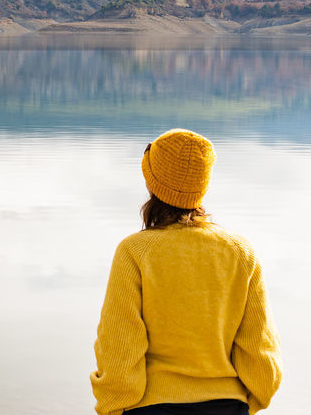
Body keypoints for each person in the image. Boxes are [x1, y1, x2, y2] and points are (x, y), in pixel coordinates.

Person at [90, 129, 282, 415]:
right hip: (228, 406)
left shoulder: (135, 251)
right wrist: (254, 399)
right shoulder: (240, 251)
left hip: (150, 407)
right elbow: (258, 343)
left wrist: (113, 406)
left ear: (152, 183)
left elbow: (119, 344)